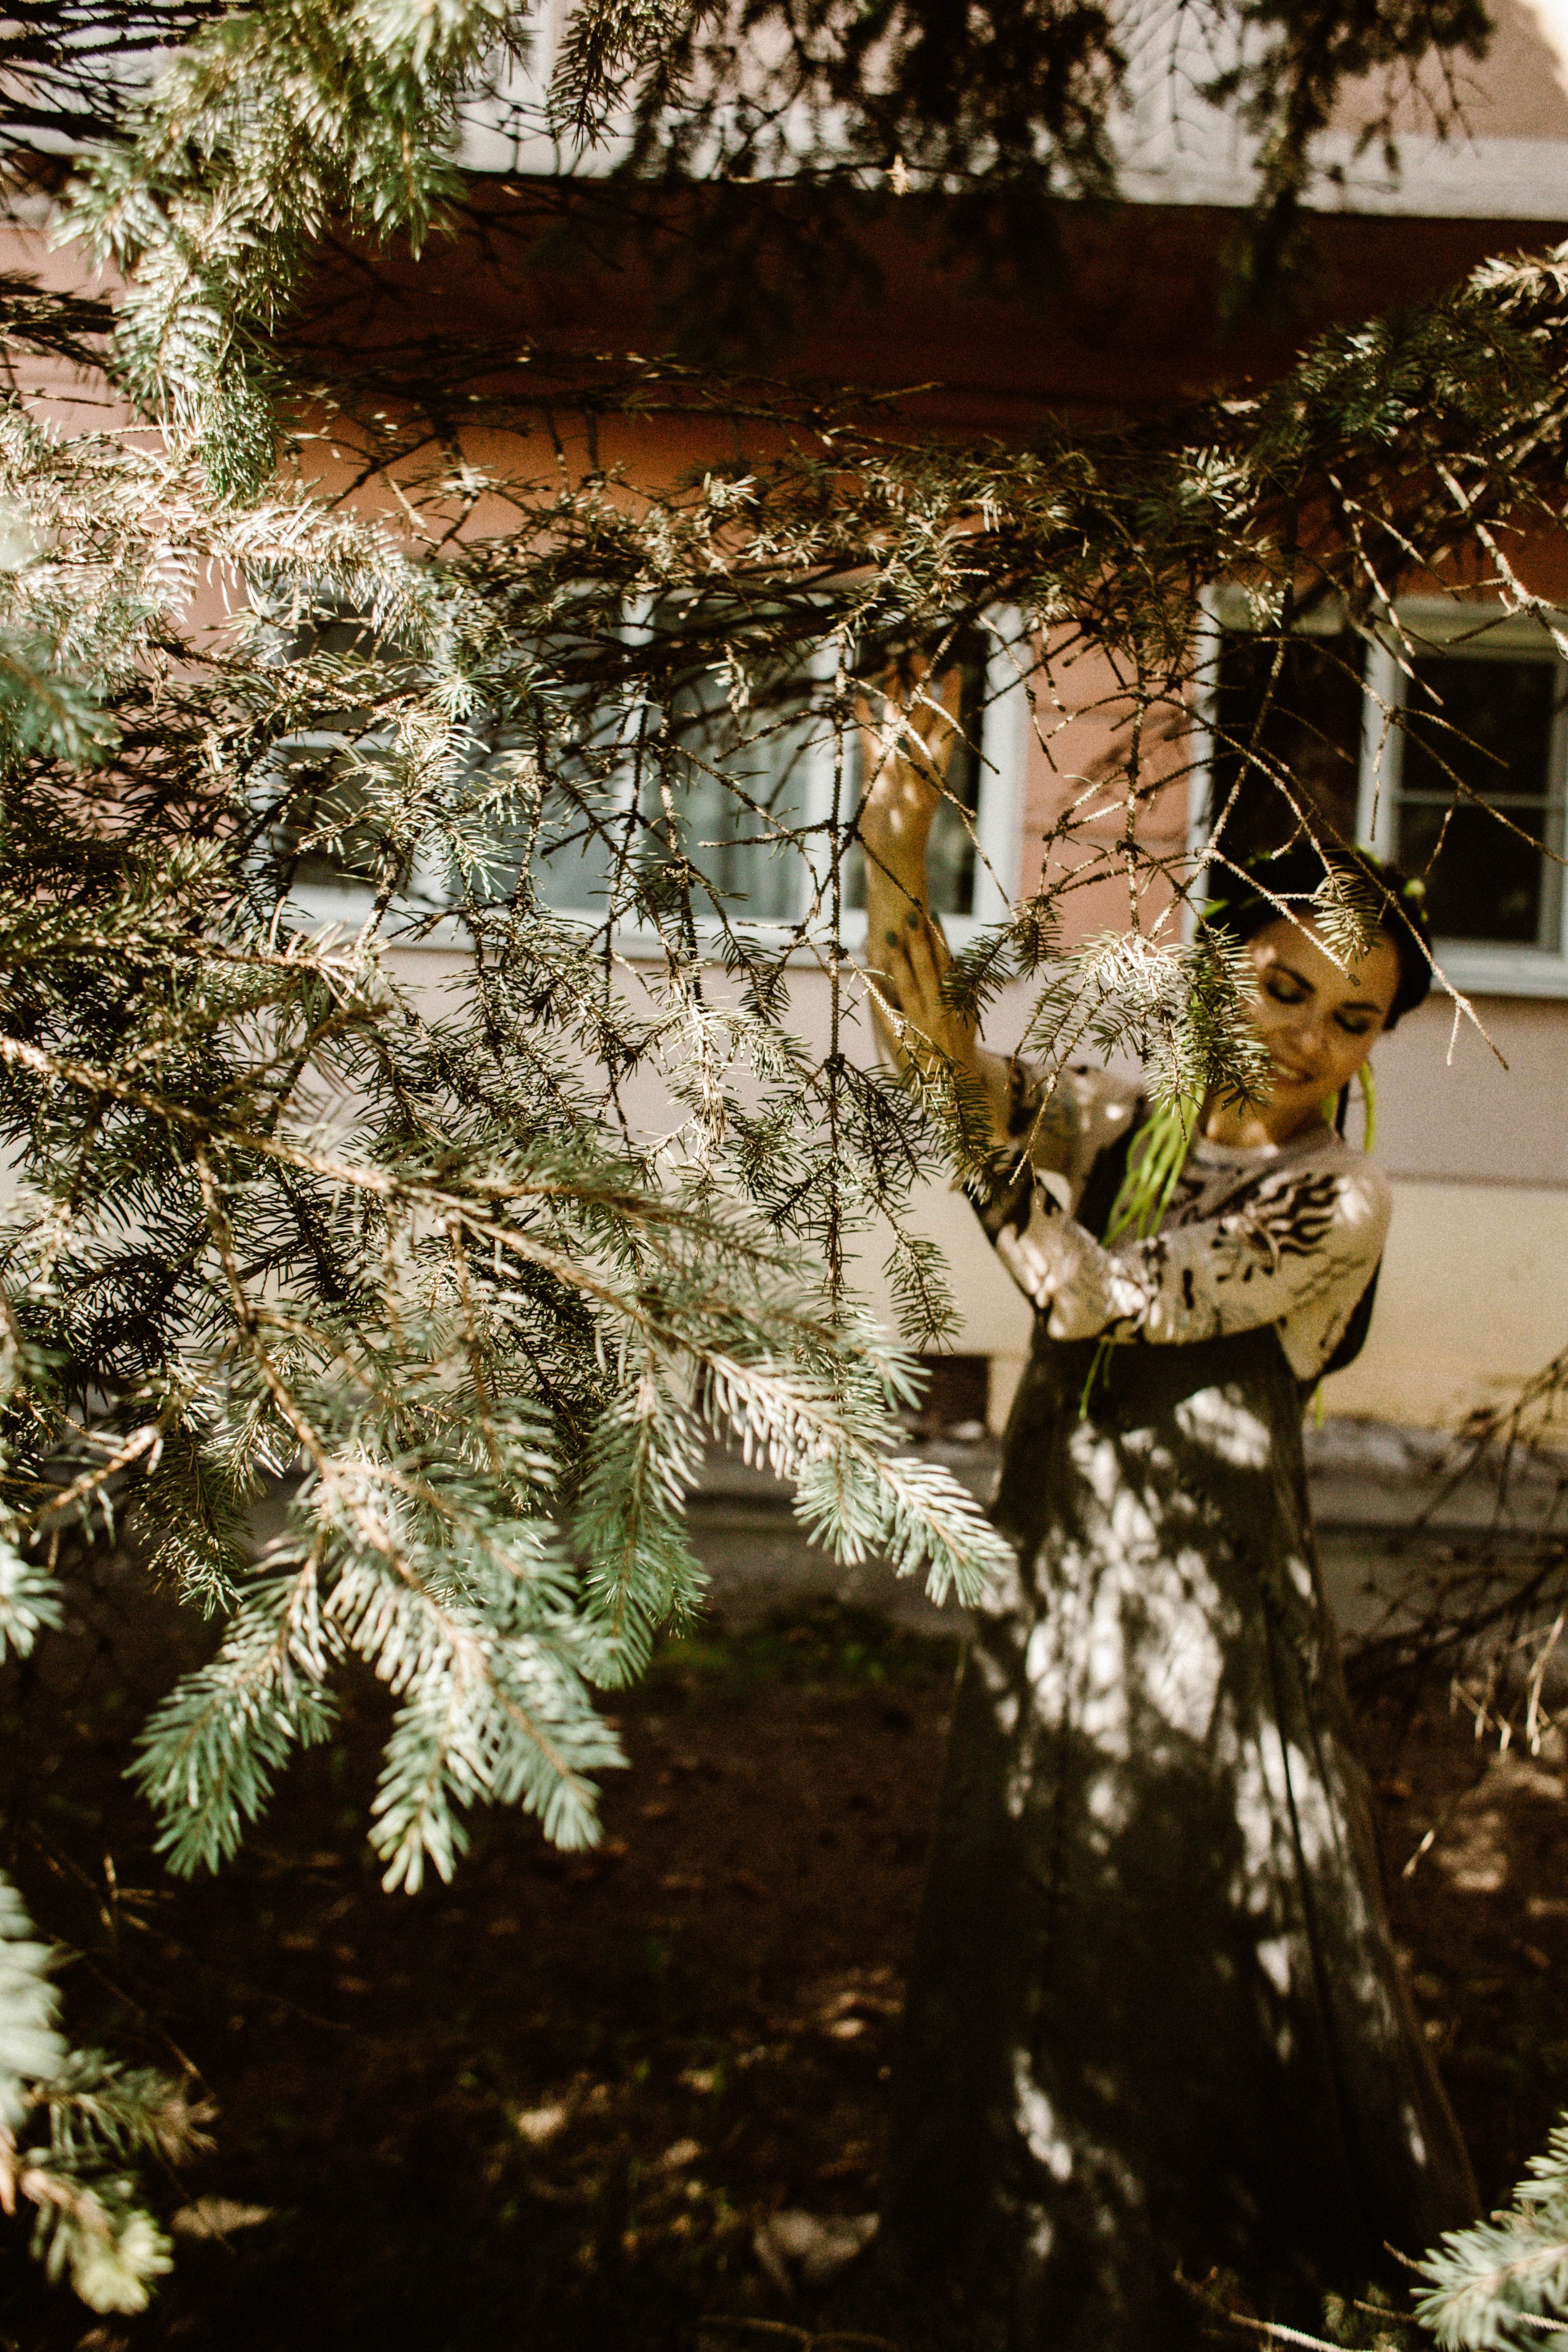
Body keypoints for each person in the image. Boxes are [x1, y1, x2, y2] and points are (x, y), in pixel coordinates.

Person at [855, 664, 1479, 2352]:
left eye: (1354, 1018)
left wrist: (993, 1163)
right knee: (1028, 1885)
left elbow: (1094, 1304)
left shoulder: (1330, 1195)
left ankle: (1166, 2267)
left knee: (1167, 1909)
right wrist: (896, 849)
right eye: (1284, 988)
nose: (1310, 1040)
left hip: (1197, 1614)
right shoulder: (1132, 1125)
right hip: (1065, 1562)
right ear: (1217, 971)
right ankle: (988, 2246)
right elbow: (944, 1059)